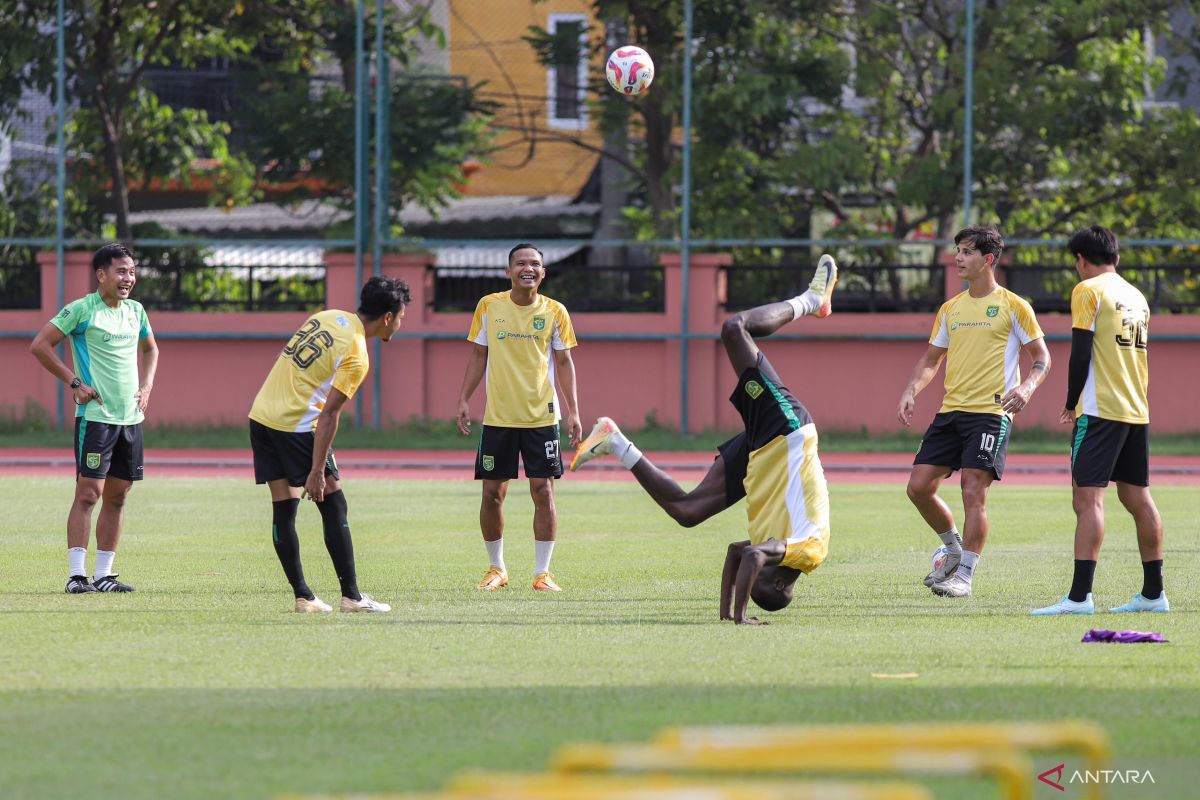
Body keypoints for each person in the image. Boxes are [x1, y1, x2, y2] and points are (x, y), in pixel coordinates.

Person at [571, 256, 839, 624]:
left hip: (762, 457)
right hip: (788, 434)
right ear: (779, 583)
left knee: (687, 512)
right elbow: (749, 558)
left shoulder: (776, 549)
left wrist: (728, 616)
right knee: (734, 328)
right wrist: (744, 617)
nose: (757, 563)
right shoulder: (809, 552)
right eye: (760, 576)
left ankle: (614, 441)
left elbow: (735, 552)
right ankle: (812, 300)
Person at [897, 225, 1050, 598]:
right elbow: (932, 360)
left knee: (972, 491)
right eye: (958, 251)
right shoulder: (951, 308)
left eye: (966, 252)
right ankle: (951, 551)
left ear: (988, 260)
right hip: (951, 412)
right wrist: (911, 390)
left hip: (991, 414)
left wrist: (1027, 388)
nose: (958, 258)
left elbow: (1042, 359)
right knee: (918, 488)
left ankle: (964, 576)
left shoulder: (1015, 306)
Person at [248, 275, 410, 613]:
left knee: (284, 507)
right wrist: (317, 470)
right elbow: (330, 415)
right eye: (402, 315)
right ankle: (351, 596)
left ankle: (303, 597)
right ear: (388, 317)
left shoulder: (324, 316)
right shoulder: (358, 353)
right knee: (334, 505)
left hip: (262, 416)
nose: (401, 322)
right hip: (297, 426)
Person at [1032, 225, 1168, 615]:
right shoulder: (1136, 295)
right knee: (1138, 497)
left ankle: (1079, 598)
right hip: (1135, 409)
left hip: (1100, 408)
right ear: (1117, 258)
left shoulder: (1088, 290)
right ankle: (1154, 593)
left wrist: (1071, 401)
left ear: (1080, 260)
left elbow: (1080, 353)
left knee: (1088, 500)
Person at [30, 243, 160, 594]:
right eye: (121, 271)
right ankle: (76, 575)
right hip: (96, 417)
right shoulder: (82, 310)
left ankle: (104, 575)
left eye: (132, 271)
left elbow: (151, 349)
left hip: (130, 420)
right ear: (101, 274)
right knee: (88, 494)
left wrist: (147, 386)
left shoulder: (135, 311)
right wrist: (74, 382)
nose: (128, 278)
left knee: (118, 497)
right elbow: (40, 345)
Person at [456, 243, 582, 592]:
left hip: (541, 417)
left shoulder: (555, 311)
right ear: (508, 271)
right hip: (498, 418)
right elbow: (478, 356)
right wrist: (464, 399)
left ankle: (543, 574)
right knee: (492, 494)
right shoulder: (489, 306)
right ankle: (496, 568)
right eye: (521, 263)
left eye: (536, 264)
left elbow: (564, 363)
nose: (529, 268)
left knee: (543, 491)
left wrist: (573, 411)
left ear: (543, 273)